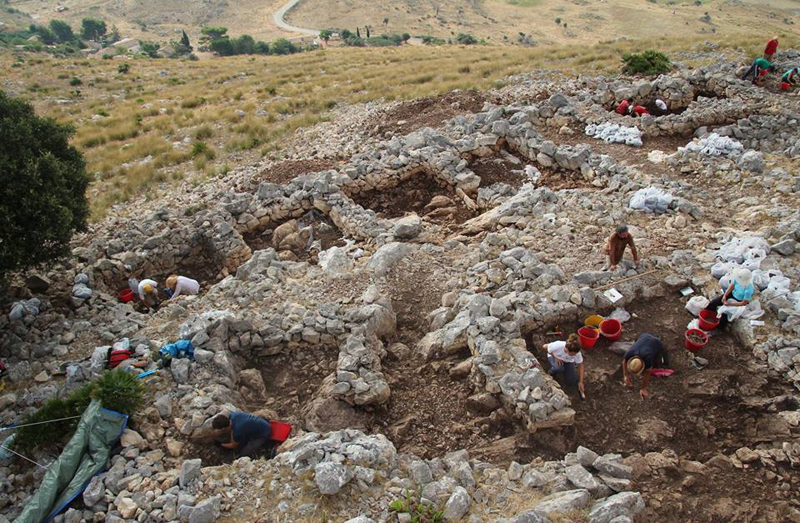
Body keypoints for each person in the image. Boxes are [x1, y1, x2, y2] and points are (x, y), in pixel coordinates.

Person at [622, 333, 670, 399]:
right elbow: (624, 361)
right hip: (644, 336)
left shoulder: (648, 357)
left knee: (661, 363)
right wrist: (625, 375)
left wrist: (643, 388)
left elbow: (647, 374)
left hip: (657, 343)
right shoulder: (629, 353)